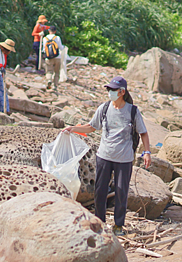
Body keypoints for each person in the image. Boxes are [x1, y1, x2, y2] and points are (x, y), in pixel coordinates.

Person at [63, 76, 152, 236]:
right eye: (109, 89)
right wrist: (72, 129)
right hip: (104, 156)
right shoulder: (104, 108)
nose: (109, 92)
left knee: (121, 192)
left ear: (122, 92)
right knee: (100, 191)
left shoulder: (132, 111)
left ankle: (118, 225)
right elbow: (91, 127)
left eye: (113, 90)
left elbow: (143, 133)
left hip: (124, 159)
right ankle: (99, 223)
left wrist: (147, 152)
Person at [42, 26, 64, 91]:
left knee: (49, 71)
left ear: (49, 31)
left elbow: (44, 49)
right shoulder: (57, 38)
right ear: (55, 31)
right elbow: (61, 47)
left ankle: (49, 80)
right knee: (57, 72)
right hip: (57, 57)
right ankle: (55, 86)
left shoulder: (44, 38)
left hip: (48, 57)